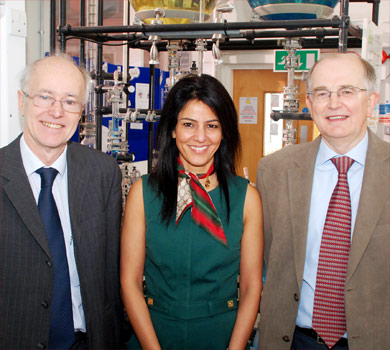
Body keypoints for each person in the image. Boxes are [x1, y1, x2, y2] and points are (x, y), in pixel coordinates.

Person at [256, 53, 389, 350]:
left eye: (347, 91)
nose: (333, 103)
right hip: (292, 339)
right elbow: (268, 258)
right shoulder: (274, 171)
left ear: (371, 102)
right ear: (309, 102)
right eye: (322, 93)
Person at [121, 74, 263, 350]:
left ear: (224, 133)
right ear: (173, 130)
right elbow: (130, 282)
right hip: (154, 332)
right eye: (188, 124)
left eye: (212, 126)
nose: (200, 137)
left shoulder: (246, 198)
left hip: (221, 335)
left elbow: (250, 287)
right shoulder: (143, 192)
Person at [0, 54, 124, 349]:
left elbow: (110, 274)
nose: (56, 112)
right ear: (22, 101)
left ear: (81, 111)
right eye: (45, 97)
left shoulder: (102, 173)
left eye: (69, 102)